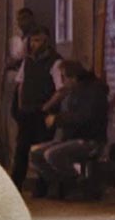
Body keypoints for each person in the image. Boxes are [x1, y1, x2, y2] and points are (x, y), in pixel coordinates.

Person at [28, 60, 109, 198]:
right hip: (70, 138)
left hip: (89, 140)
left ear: (73, 77)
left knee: (52, 155)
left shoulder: (93, 91)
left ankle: (79, 182)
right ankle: (59, 185)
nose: (62, 81)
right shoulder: (73, 92)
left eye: (64, 77)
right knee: (36, 153)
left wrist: (58, 120)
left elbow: (84, 117)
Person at [10, 25, 63, 191]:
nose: (35, 44)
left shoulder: (55, 62)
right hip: (26, 112)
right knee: (22, 149)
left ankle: (43, 185)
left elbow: (60, 89)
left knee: (41, 148)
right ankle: (16, 183)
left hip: (43, 113)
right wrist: (20, 105)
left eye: (39, 40)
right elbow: (20, 84)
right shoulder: (28, 61)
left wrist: (46, 107)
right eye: (33, 40)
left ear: (46, 41)